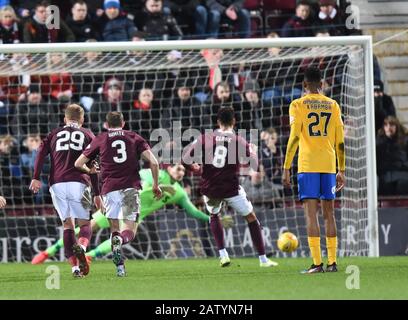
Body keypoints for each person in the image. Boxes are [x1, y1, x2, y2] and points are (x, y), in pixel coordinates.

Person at [31, 163, 234, 264]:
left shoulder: (179, 192)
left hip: (135, 215)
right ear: (170, 167)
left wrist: (213, 218)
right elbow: (138, 190)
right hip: (122, 203)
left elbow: (191, 211)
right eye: (178, 169)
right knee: (87, 227)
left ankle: (89, 256)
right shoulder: (151, 174)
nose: (180, 173)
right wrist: (161, 187)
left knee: (120, 237)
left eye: (183, 172)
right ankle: (49, 252)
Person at [183, 106, 278, 268]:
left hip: (210, 187)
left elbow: (185, 158)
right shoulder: (239, 140)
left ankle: (223, 255)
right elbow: (255, 165)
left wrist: (195, 168)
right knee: (251, 218)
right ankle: (263, 259)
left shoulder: (205, 138)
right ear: (234, 121)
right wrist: (253, 152)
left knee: (214, 215)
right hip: (231, 188)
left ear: (217, 121)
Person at [74, 111, 162, 277]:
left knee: (114, 228)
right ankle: (120, 243)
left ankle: (120, 268)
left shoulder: (100, 138)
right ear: (123, 123)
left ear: (106, 125)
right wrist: (156, 185)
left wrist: (92, 170)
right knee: (129, 230)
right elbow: (154, 162)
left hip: (109, 189)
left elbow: (78, 163)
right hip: (130, 187)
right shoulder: (134, 137)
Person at [282, 66, 345, 274]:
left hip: (308, 165)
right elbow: (341, 142)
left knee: (311, 214)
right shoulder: (333, 105)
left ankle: (317, 264)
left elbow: (294, 138)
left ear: (304, 84)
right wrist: (341, 169)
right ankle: (333, 262)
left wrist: (286, 166)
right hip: (328, 165)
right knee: (330, 214)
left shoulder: (297, 105)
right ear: (322, 83)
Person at [29, 104, 99, 278]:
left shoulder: (53, 134)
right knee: (85, 224)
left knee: (68, 226)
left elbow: (40, 152)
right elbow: (93, 166)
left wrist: (36, 177)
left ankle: (75, 269)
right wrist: (97, 192)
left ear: (64, 119)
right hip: (80, 182)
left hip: (57, 184)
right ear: (82, 120)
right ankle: (82, 248)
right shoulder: (88, 134)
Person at [376, 116, 408, 196]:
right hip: (386, 174)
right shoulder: (378, 142)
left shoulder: (405, 140)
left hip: (402, 173)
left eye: (391, 125)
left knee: (402, 184)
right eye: (386, 125)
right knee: (385, 185)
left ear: (397, 126)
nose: (388, 128)